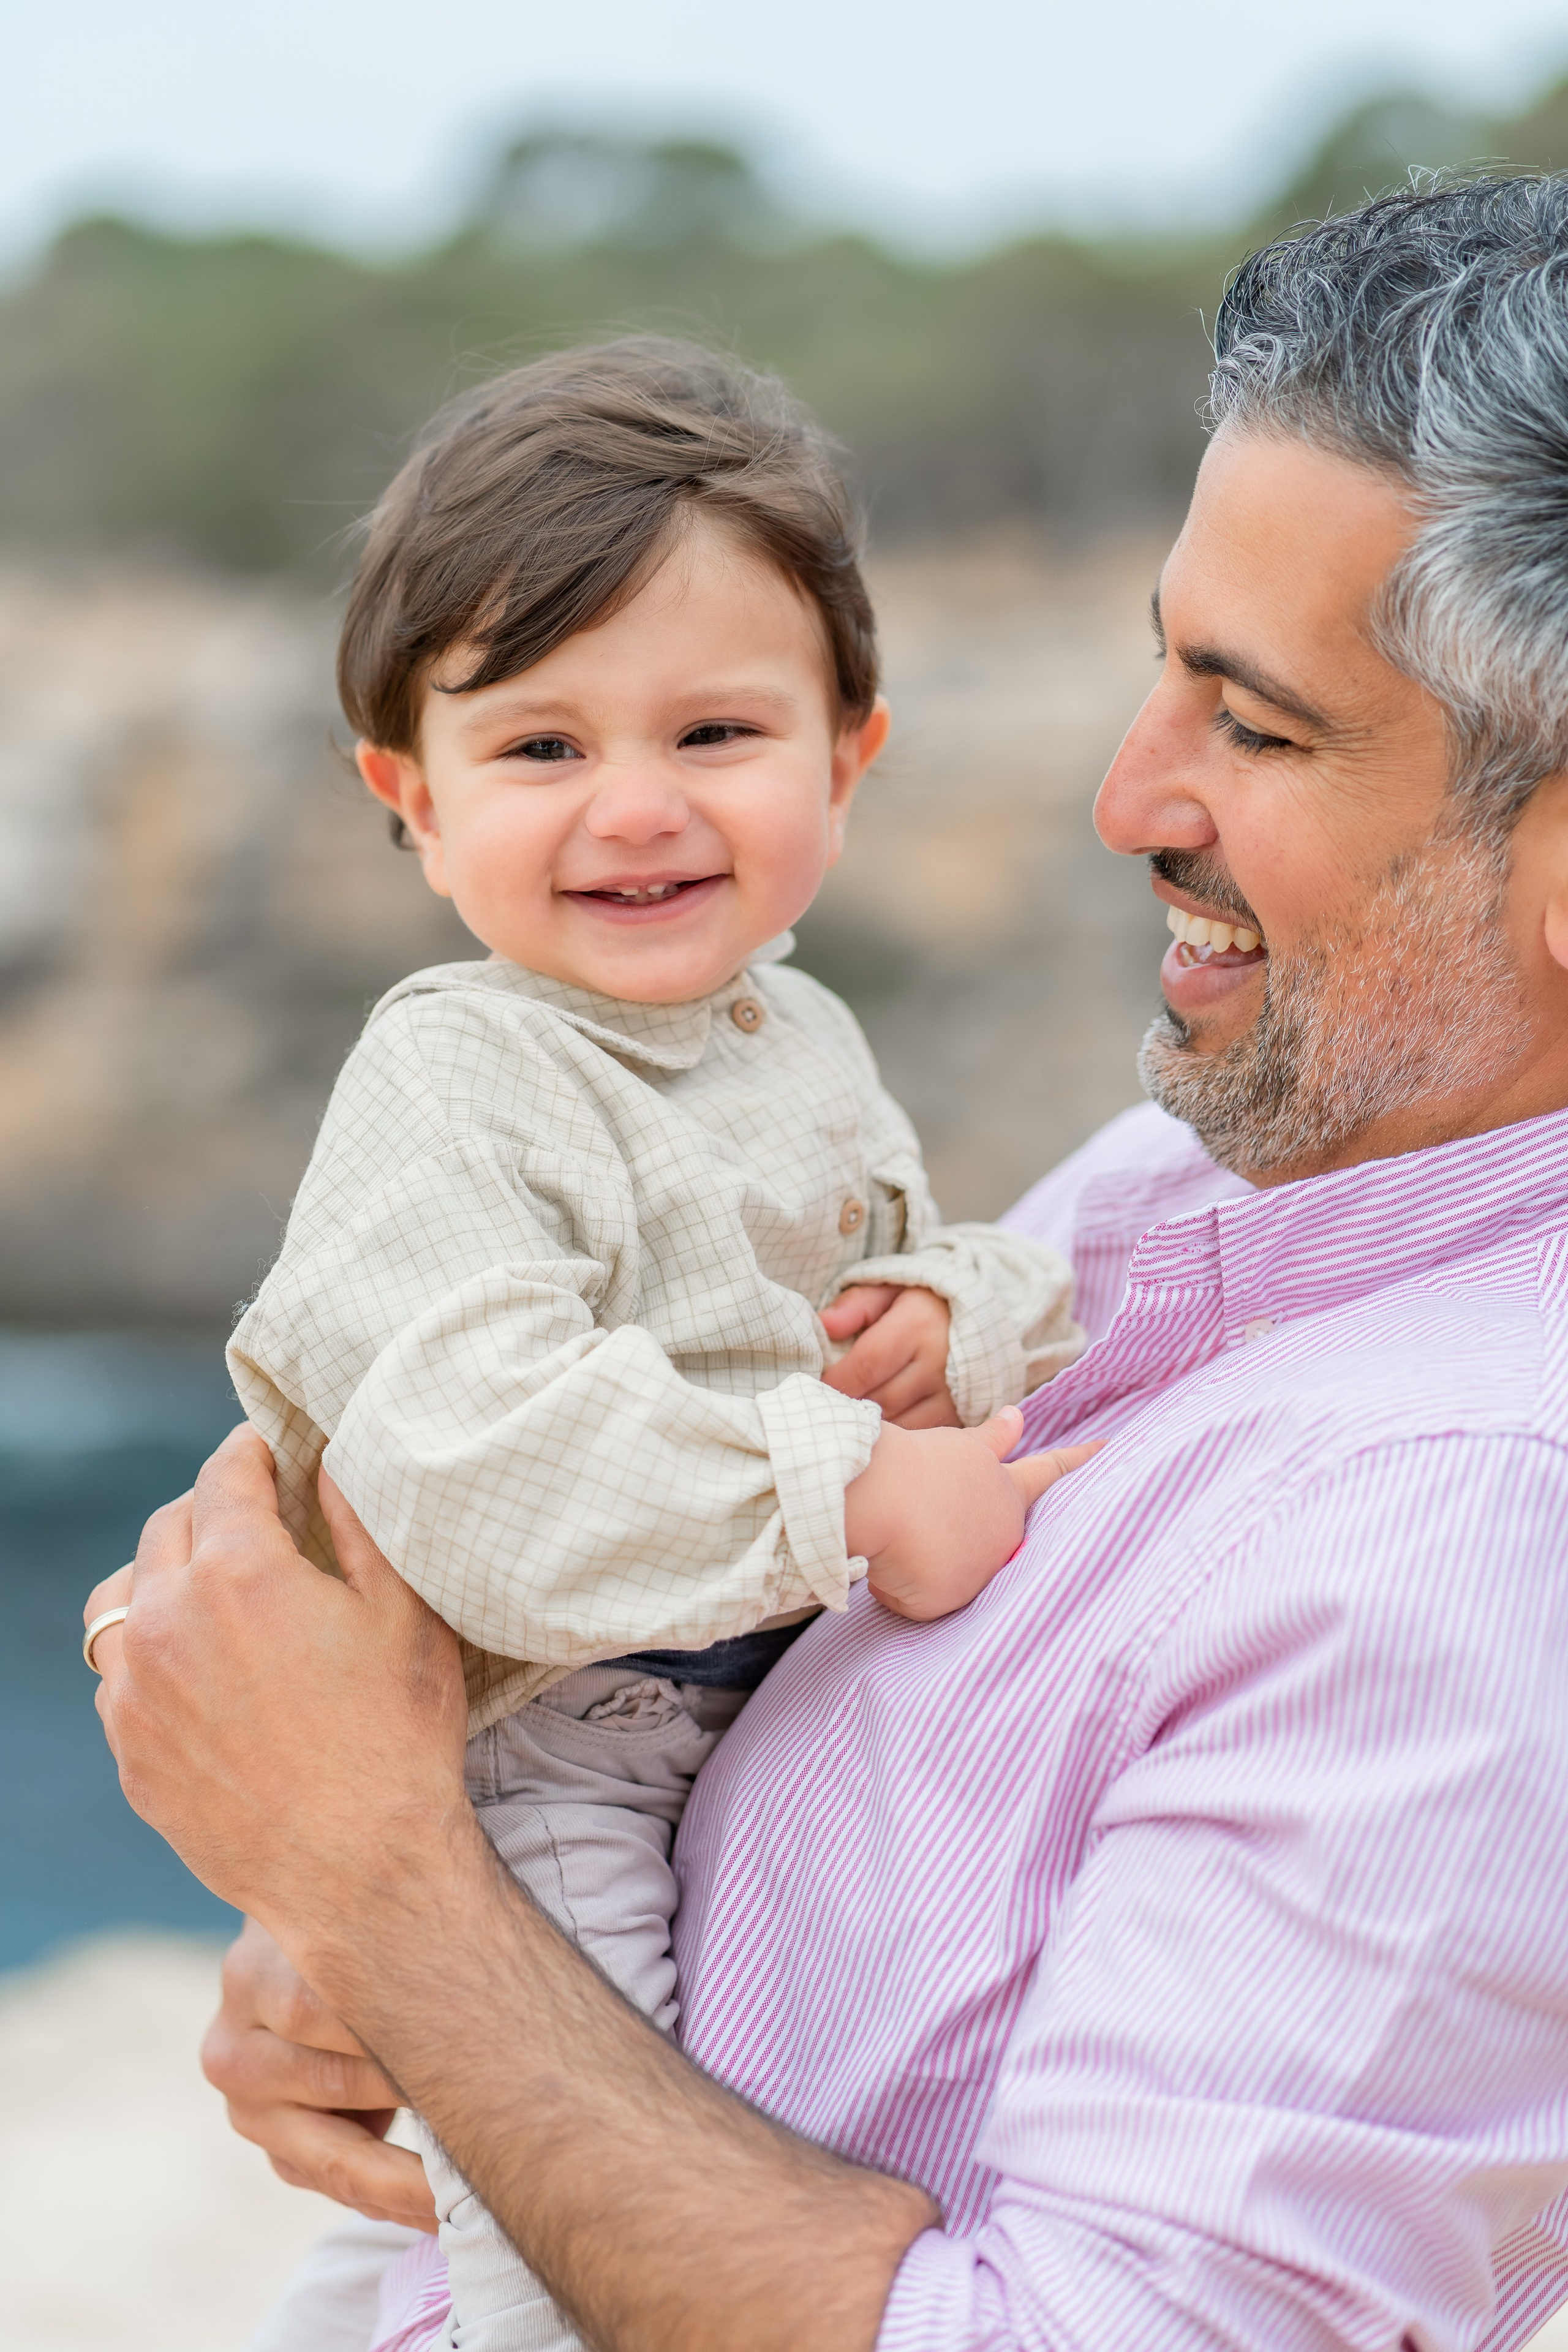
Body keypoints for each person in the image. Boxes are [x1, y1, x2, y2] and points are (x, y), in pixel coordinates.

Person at [88, 176, 1568, 2352]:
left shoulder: (1471, 1519)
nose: (1120, 794)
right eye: (1154, 666)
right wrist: (414, 1920)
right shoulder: (1207, 1171)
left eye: (1253, 725)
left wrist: (386, 1884)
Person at [217, 336, 1086, 2352]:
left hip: (731, 1697)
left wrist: (949, 1306)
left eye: (715, 731)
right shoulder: (458, 1073)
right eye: (539, 750)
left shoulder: (792, 1034)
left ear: (848, 756)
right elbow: (482, 1448)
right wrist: (855, 1488)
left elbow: (880, 1265)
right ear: (410, 802)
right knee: (568, 2198)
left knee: (451, 2216)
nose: (635, 810)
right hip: (545, 1751)